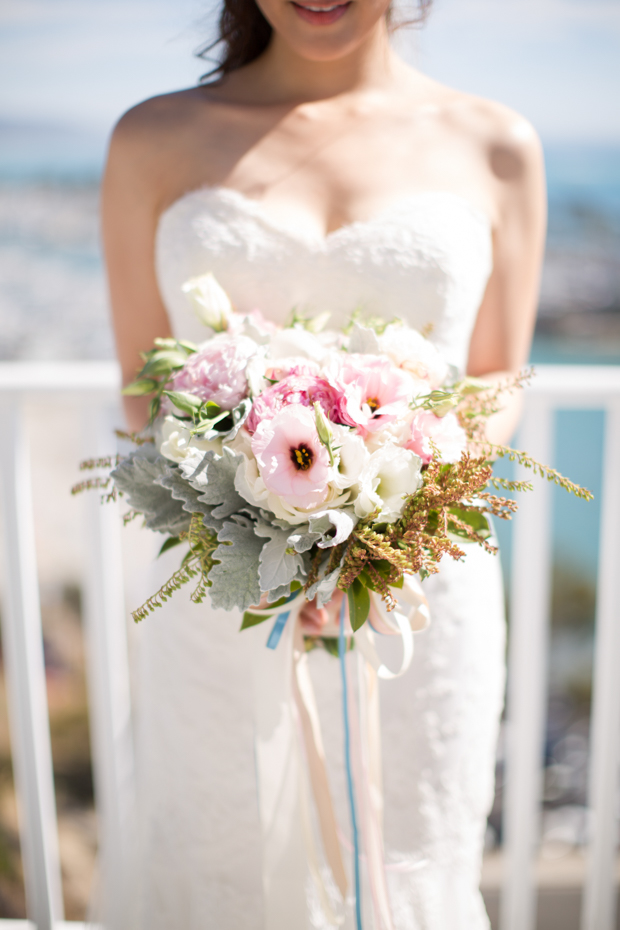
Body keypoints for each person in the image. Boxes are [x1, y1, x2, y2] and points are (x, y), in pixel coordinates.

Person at [102, 0, 545, 926]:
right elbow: (145, 396)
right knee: (222, 859)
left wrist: (393, 505)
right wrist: (269, 518)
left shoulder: (498, 144)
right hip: (221, 594)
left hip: (418, 593)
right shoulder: (152, 138)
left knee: (410, 859)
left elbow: (502, 372)